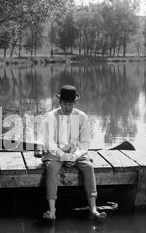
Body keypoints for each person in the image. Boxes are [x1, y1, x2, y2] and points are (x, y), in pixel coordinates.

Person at [41, 85, 106, 221]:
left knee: (89, 167)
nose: (68, 107)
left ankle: (93, 209)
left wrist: (75, 156)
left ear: (74, 103)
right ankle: (52, 210)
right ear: (60, 102)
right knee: (52, 168)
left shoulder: (82, 117)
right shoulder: (50, 117)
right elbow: (49, 143)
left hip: (77, 152)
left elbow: (85, 142)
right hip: (55, 153)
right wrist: (63, 156)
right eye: (65, 103)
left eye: (71, 104)